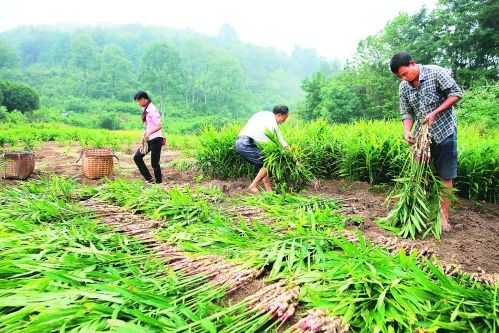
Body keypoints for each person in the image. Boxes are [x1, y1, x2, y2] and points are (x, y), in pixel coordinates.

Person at [390, 52, 463, 232]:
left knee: (445, 175)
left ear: (413, 63)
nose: (403, 78)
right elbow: (406, 112)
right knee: (418, 173)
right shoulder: (404, 87)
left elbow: (456, 94)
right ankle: (418, 210)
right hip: (421, 137)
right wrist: (407, 131)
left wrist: (435, 112)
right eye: (399, 76)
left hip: (444, 132)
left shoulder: (435, 72)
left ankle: (443, 217)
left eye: (404, 74)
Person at [235, 105, 290, 193]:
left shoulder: (265, 114)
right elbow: (280, 143)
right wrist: (290, 155)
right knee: (269, 163)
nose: (284, 121)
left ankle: (269, 191)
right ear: (280, 115)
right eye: (285, 118)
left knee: (264, 164)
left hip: (241, 142)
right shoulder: (273, 125)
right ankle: (253, 185)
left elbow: (279, 138)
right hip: (246, 144)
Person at [133, 91, 164, 184]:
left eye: (138, 101)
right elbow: (149, 125)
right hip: (149, 139)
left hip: (156, 139)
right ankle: (149, 178)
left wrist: (149, 133)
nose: (138, 103)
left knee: (154, 163)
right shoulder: (147, 109)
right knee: (137, 157)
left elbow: (159, 125)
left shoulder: (152, 109)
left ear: (144, 99)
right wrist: (144, 136)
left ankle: (159, 183)